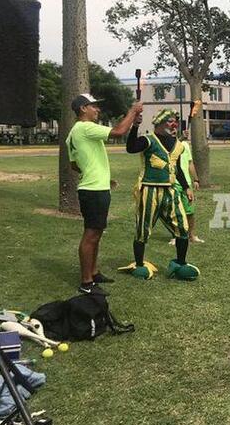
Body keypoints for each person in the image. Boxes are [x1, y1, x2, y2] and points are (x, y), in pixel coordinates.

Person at [66, 93, 143, 295]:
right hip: (93, 190)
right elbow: (118, 131)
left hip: (94, 186)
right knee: (91, 234)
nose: (97, 109)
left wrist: (99, 175)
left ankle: (94, 272)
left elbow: (75, 164)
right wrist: (133, 110)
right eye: (93, 106)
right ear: (83, 108)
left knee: (96, 232)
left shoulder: (73, 133)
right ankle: (86, 282)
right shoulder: (85, 127)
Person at [118, 109, 199, 281]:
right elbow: (131, 147)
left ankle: (180, 263)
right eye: (170, 121)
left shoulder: (177, 144)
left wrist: (186, 187)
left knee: (182, 228)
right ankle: (139, 264)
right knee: (143, 229)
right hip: (149, 190)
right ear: (160, 123)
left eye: (175, 120)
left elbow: (176, 169)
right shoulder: (148, 140)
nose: (174, 124)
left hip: (170, 191)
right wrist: (135, 125)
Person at [169, 129, 203, 245]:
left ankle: (191, 235)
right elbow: (173, 148)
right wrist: (181, 138)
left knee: (190, 211)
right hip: (173, 182)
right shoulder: (168, 145)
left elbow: (190, 163)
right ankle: (176, 236)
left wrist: (196, 179)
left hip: (186, 183)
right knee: (175, 212)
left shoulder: (185, 145)